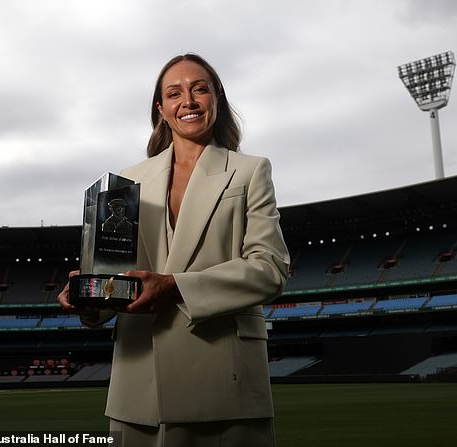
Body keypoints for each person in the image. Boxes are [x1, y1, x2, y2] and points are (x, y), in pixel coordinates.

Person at [58, 53, 290, 447]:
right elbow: (117, 279)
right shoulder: (125, 183)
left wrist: (175, 286)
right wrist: (92, 300)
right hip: (138, 387)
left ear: (216, 98)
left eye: (200, 89)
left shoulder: (251, 170)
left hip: (224, 382)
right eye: (175, 93)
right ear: (161, 109)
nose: (189, 100)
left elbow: (270, 269)